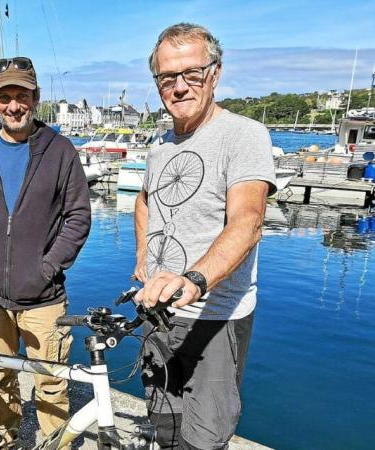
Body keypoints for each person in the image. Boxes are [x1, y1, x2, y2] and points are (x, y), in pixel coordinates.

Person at [133, 23, 277, 449]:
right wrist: (143, 256)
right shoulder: (161, 143)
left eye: (191, 74)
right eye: (166, 77)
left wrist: (193, 280)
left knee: (205, 438)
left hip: (215, 317)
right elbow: (144, 200)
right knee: (164, 425)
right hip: (157, 312)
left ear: (215, 73)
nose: (179, 87)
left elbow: (248, 223)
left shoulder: (244, 135)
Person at [0, 56, 91, 449]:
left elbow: (78, 217)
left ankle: (54, 444)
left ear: (36, 96)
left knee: (51, 385)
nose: (13, 105)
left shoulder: (60, 150)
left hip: (45, 298)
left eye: (22, 95)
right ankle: (2, 441)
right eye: (4, 96)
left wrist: (47, 267)